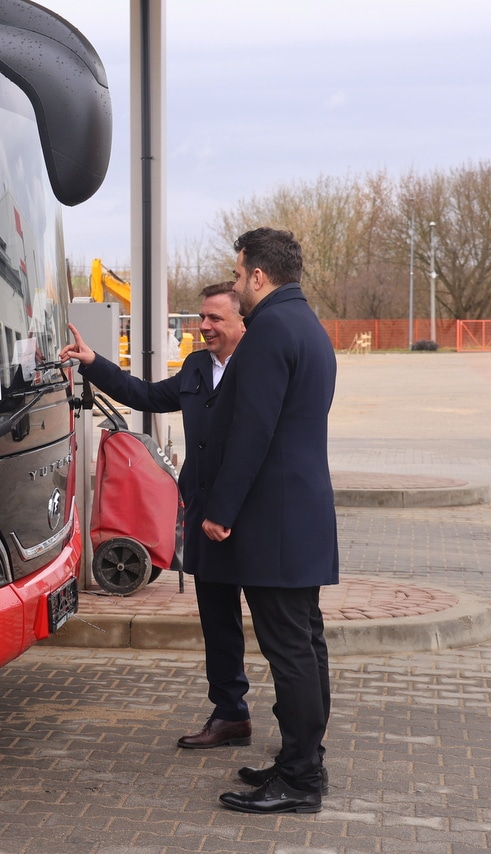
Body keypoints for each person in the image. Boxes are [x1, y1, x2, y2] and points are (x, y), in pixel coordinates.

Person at [60, 282, 253, 749]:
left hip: (252, 513)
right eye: (202, 318)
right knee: (218, 621)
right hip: (205, 516)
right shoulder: (196, 367)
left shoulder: (260, 366)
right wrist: (94, 363)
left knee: (273, 624)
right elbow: (144, 394)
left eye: (215, 318)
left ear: (243, 322)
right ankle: (231, 714)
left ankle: (298, 732)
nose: (204, 326)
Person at [199, 227, 338, 814]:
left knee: (290, 653)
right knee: (306, 644)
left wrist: (221, 510)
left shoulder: (269, 330)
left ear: (258, 275)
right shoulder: (309, 325)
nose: (236, 285)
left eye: (237, 275)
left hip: (273, 522)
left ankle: (300, 781)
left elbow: (252, 431)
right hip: (301, 516)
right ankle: (303, 762)